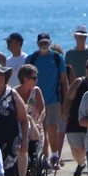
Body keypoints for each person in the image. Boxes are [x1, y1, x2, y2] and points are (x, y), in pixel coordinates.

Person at [25, 32, 70, 168]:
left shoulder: (57, 58)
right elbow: (25, 80)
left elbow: (64, 80)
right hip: (34, 100)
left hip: (54, 99)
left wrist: (65, 102)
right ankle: (44, 158)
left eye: (46, 42)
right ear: (37, 43)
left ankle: (55, 156)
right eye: (41, 43)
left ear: (50, 43)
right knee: (40, 129)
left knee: (52, 128)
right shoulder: (31, 58)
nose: (43, 45)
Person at [13, 63, 45, 176]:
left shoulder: (36, 91)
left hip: (35, 128)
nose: (36, 80)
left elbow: (43, 110)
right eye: (34, 77)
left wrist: (38, 121)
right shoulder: (14, 92)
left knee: (34, 152)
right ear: (25, 79)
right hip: (20, 129)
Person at [63, 57, 88, 176]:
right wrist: (65, 113)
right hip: (75, 120)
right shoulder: (79, 82)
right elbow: (68, 98)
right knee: (77, 149)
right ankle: (81, 164)